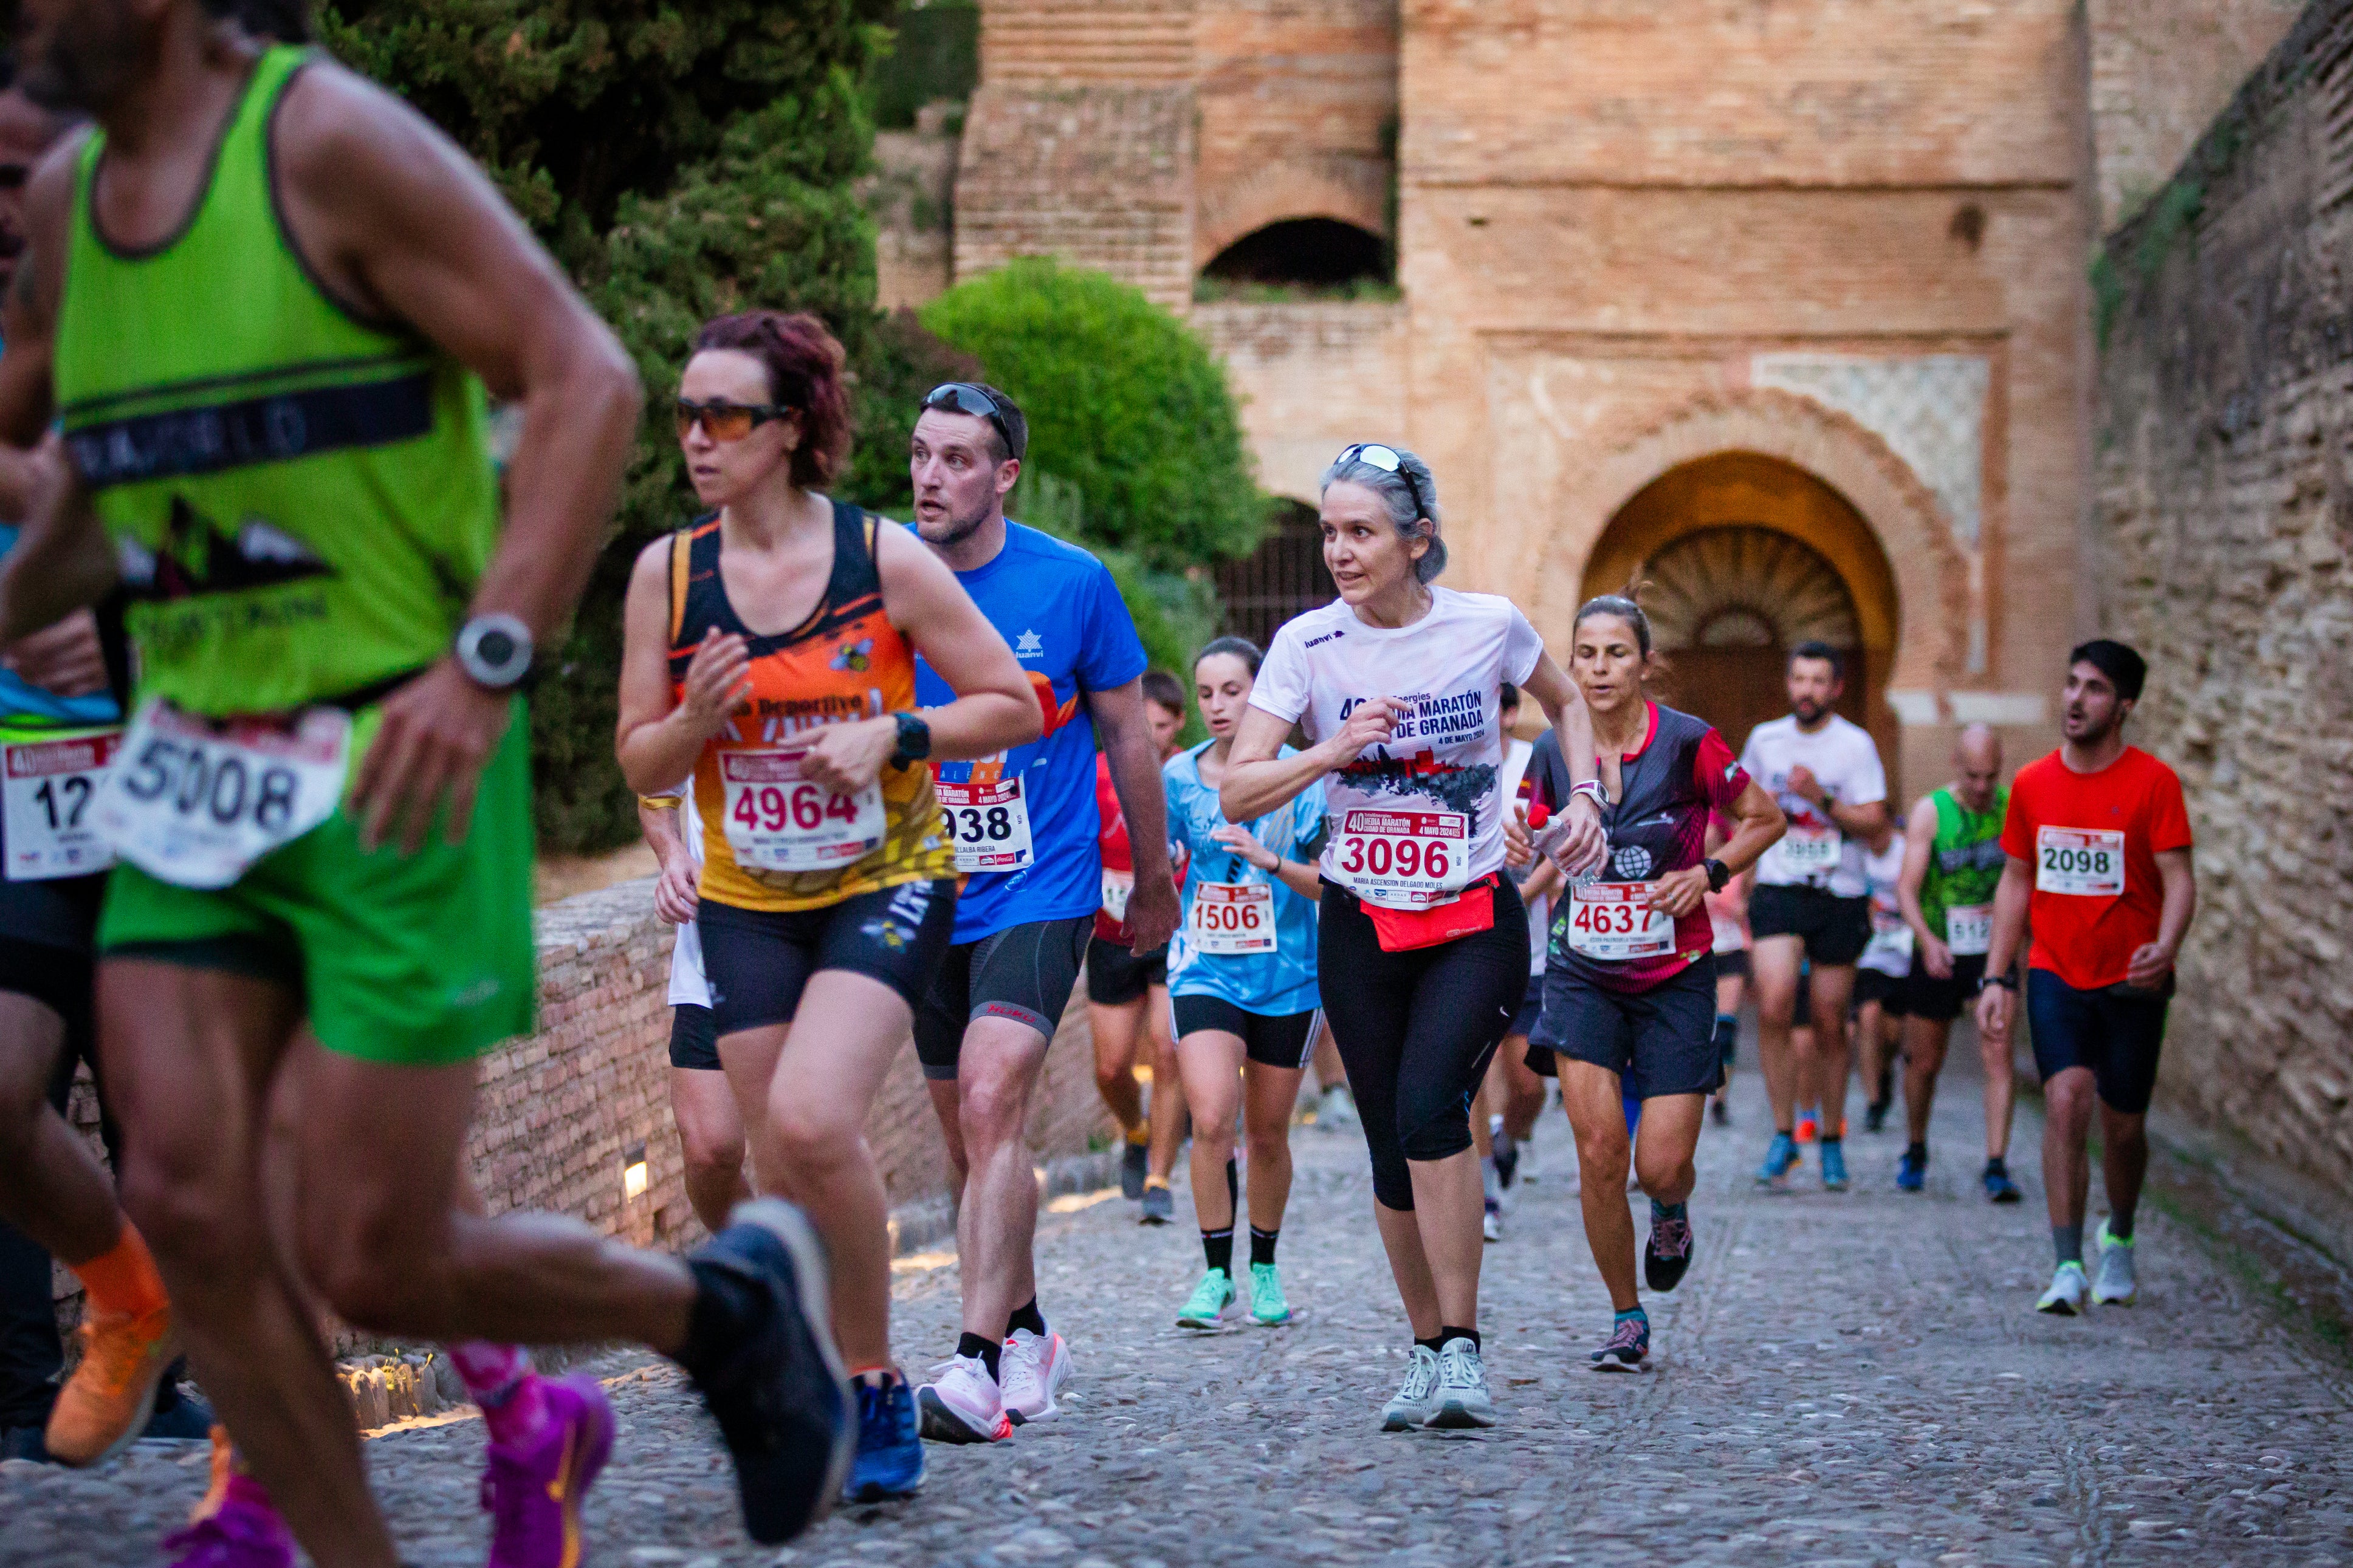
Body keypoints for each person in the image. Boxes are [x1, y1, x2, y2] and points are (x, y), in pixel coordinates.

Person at [0, 10, 856, 1561]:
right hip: (191, 776)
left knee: (375, 1250)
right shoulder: (69, 208)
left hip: (393, 754)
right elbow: (93, 483)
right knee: (193, 1215)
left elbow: (583, 378)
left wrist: (486, 658)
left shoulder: (319, 143)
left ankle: (709, 1299)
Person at [616, 313, 1042, 1501]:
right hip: (748, 899)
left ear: (794, 428)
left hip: (885, 880)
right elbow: (638, 761)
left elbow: (1013, 704)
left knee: (808, 1119)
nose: (698, 438)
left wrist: (895, 730)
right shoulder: (671, 573)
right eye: (685, 415)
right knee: (783, 1154)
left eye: (726, 416)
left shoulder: (882, 562)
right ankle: (822, 1372)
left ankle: (875, 1386)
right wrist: (694, 724)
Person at [1221, 442, 1606, 1431]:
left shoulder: (1489, 626)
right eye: (1329, 532)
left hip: (1474, 916)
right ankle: (1427, 1348)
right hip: (1357, 921)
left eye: (1361, 531)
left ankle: (1465, 1348)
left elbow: (1565, 702)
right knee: (1389, 1147)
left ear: (1416, 540)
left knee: (1436, 1106)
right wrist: (1333, 748)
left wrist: (1588, 794)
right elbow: (1237, 784)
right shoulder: (1306, 647)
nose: (1339, 551)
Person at [0, 62, 213, 1471]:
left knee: (178, 1124)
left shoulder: (187, 326)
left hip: (174, 782)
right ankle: (111, 1312)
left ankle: (182, 1369)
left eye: (25, 177)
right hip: (22, 792)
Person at [902, 382, 1180, 1444]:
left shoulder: (1071, 584)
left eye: (959, 459)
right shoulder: (882, 582)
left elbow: (1127, 737)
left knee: (988, 1100)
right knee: (971, 1142)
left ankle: (973, 1367)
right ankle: (1027, 1329)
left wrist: (1151, 878)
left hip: (1041, 882)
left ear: (1005, 473)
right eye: (922, 455)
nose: (932, 476)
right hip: (921, 887)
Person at [1523, 591, 1784, 1371]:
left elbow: (1764, 819)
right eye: (1586, 653)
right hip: (1580, 975)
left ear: (1644, 664)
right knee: (1599, 1149)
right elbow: (1531, 840)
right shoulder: (1551, 751)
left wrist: (1706, 873)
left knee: (1658, 1164)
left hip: (1675, 975)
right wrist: (1516, 848)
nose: (1599, 668)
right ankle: (1624, 1316)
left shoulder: (1688, 744)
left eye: (1615, 653)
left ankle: (1671, 1209)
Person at [1977, 642, 2194, 1315]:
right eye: (2069, 683)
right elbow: (2015, 883)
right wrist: (1994, 976)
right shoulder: (2034, 784)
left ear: (2123, 706)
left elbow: (2179, 878)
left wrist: (2164, 947)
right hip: (2055, 970)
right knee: (2065, 1099)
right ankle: (2066, 1262)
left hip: (2131, 978)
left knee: (2122, 1126)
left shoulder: (2153, 783)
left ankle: (2119, 1232)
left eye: (2094, 689)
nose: (2074, 699)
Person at [1164, 637, 1325, 1329]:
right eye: (1206, 694)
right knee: (1209, 1115)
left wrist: (1269, 859)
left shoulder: (1303, 775)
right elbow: (1163, 863)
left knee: (1265, 1132)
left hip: (1288, 976)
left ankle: (1262, 1265)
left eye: (1232, 691)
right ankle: (1211, 1274)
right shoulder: (1177, 777)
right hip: (1202, 967)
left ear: (1259, 692)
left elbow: (1334, 885)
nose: (1217, 706)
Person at [1740, 643, 1890, 1192]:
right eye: (1799, 679)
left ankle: (1830, 1136)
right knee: (1776, 1002)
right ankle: (1784, 1134)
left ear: (1836, 687)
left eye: (1818, 680)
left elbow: (1875, 826)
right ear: (1788, 683)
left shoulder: (1855, 746)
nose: (1807, 689)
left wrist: (1819, 796)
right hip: (1780, 886)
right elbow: (1745, 808)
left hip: (1840, 892)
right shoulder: (1765, 740)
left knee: (1830, 1020)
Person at [1894, 724, 2022, 1199]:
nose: (1983, 786)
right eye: (1973, 775)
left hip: (1994, 949)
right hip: (1939, 947)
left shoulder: (2014, 808)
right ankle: (1916, 1145)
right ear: (1955, 763)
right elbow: (1906, 887)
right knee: (1925, 1060)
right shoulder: (1932, 811)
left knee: (1998, 1051)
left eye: (1992, 775)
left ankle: (1996, 1162)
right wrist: (1926, 940)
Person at [1086, 669, 1189, 1222]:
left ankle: (1159, 1177)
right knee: (1110, 1067)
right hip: (1112, 932)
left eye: (1160, 727)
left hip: (1175, 932)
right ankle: (1136, 1129)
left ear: (1177, 726)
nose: (1148, 738)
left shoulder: (1189, 777)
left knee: (1168, 1050)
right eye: (1139, 726)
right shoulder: (1096, 772)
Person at [636, 784, 752, 1233]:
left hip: (815, 947)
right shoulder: (697, 711)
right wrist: (672, 855)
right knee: (708, 1152)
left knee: (805, 1144)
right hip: (712, 953)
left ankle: (824, 1291)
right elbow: (656, 787)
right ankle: (766, 1270)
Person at [1474, 682, 1556, 1241]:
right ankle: (1483, 1192)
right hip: (1468, 945)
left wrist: (1520, 898)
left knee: (1529, 1081)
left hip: (1532, 947)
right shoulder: (1453, 766)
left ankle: (1509, 1141)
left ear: (1508, 713)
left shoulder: (1536, 764)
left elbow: (1561, 850)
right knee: (1475, 1076)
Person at [1851, 819, 1911, 1135]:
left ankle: (1885, 1074)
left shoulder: (1906, 849)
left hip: (1904, 947)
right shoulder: (1857, 853)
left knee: (1892, 1034)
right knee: (1868, 1018)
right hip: (1872, 950)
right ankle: (1874, 1101)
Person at [1702, 812, 1751, 1127]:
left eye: (1710, 832)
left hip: (1731, 948)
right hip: (1699, 953)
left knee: (1726, 1031)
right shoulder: (1680, 868)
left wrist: (1724, 905)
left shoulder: (1738, 871)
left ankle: (1720, 1099)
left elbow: (1744, 910)